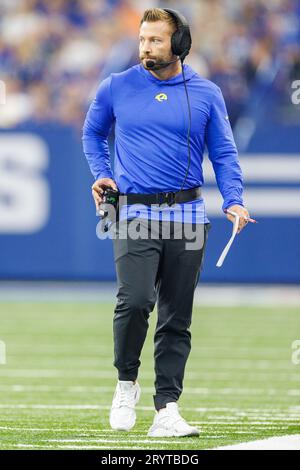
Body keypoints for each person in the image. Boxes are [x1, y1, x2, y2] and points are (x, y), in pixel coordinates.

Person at [82, 8, 250, 438]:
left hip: (189, 215)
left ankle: (167, 409)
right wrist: (101, 171)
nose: (145, 48)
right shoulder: (116, 86)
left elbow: (225, 154)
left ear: (179, 45)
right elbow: (93, 133)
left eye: (155, 40)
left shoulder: (207, 93)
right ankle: (126, 382)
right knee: (135, 300)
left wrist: (234, 200)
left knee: (177, 317)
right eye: (142, 39)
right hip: (132, 212)